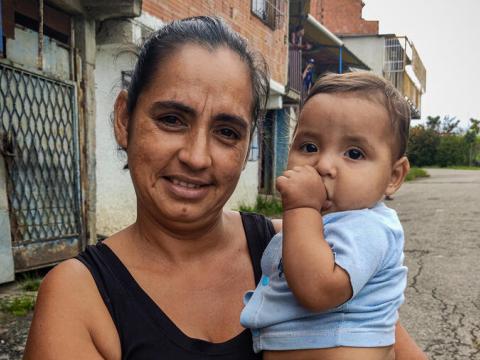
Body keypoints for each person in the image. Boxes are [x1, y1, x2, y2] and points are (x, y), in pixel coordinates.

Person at [24, 17, 426, 360]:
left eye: (226, 132)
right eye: (171, 119)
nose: (197, 157)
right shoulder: (78, 296)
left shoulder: (299, 246)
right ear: (124, 119)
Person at [241, 72, 412, 360]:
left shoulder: (369, 227)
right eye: (309, 147)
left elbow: (317, 290)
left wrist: (301, 208)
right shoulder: (323, 225)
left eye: (354, 154)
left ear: (393, 176)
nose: (323, 165)